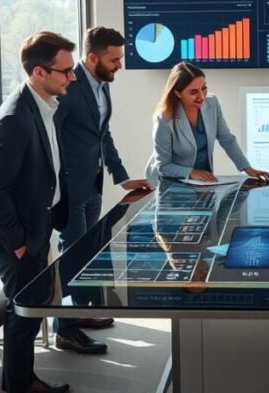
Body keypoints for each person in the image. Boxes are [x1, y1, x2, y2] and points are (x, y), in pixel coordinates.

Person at [0, 31, 77, 393]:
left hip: (37, 225)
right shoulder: (14, 118)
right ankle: (19, 387)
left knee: (31, 309)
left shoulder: (45, 107)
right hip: (16, 236)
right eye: (65, 71)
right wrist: (17, 244)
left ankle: (22, 380)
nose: (72, 77)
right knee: (25, 312)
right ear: (39, 73)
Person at [53, 26, 152, 351]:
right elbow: (50, 134)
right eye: (114, 59)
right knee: (73, 254)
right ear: (92, 57)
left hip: (92, 184)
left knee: (88, 251)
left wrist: (122, 177)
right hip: (68, 189)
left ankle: (79, 314)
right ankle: (64, 327)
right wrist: (57, 183)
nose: (119, 65)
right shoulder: (68, 84)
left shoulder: (101, 86)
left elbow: (102, 135)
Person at [144, 61, 269, 184]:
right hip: (171, 181)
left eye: (204, 88)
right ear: (178, 93)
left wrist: (247, 168)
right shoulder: (164, 118)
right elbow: (163, 166)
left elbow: (227, 139)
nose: (201, 96)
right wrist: (192, 172)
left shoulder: (212, 103)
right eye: (193, 92)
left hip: (202, 181)